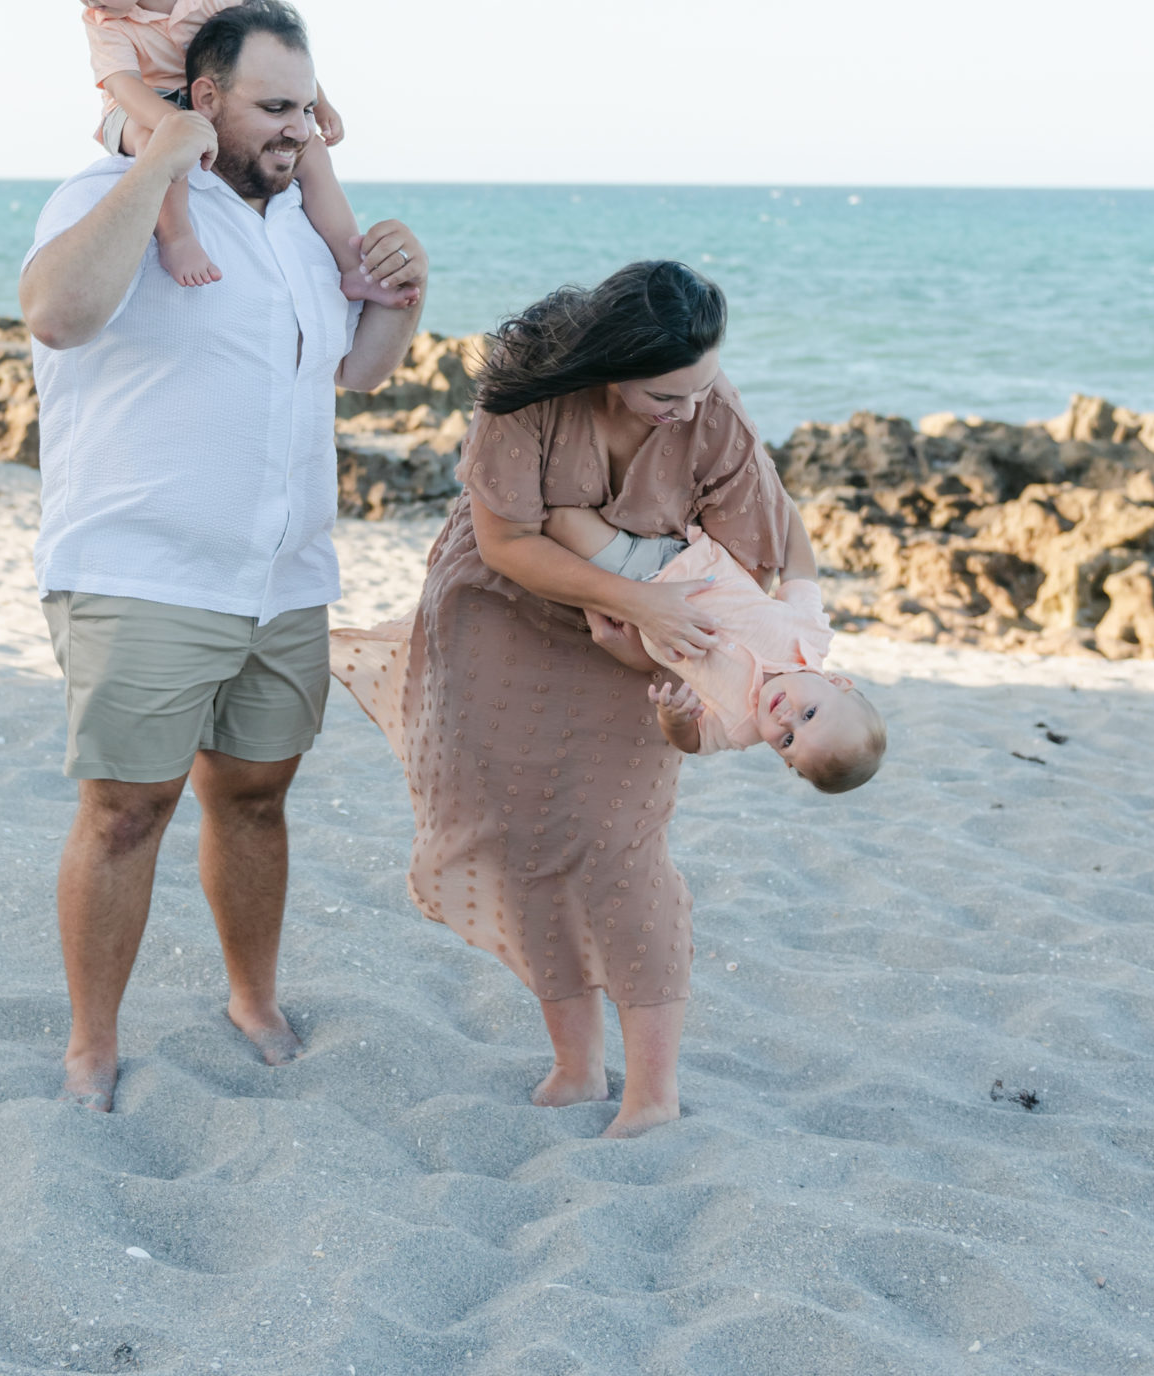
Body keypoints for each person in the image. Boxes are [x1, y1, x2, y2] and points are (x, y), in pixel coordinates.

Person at [20, 0, 429, 1110]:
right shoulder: (108, 194)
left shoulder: (303, 231)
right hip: (143, 569)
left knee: (254, 798)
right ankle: (90, 1043)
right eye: (272, 106)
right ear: (204, 98)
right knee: (125, 812)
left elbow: (360, 370)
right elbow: (56, 313)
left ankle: (250, 997)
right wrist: (158, 160)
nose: (298, 129)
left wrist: (403, 288)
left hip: (283, 576)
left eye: (306, 106)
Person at [331, 260, 819, 1139]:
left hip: (646, 639)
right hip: (503, 612)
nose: (687, 409)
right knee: (521, 838)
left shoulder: (712, 412)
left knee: (618, 848)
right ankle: (574, 1064)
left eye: (700, 386)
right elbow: (509, 541)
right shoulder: (527, 397)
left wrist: (656, 623)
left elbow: (763, 553)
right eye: (663, 397)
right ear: (607, 368)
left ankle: (653, 1090)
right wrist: (635, 593)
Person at [28, 0, 411, 302]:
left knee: (315, 154)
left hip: (205, 97)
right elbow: (123, 84)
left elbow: (275, 47)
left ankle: (352, 266)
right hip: (136, 107)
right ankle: (177, 240)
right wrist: (172, 123)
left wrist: (318, 103)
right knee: (159, 142)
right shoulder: (103, 18)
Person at [542, 504, 886, 786]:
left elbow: (692, 742)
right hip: (690, 547)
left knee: (562, 521)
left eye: (787, 742)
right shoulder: (809, 638)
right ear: (837, 682)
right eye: (809, 714)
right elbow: (799, 573)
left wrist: (674, 719)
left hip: (637, 586)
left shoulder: (740, 727)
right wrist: (785, 506)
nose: (785, 719)